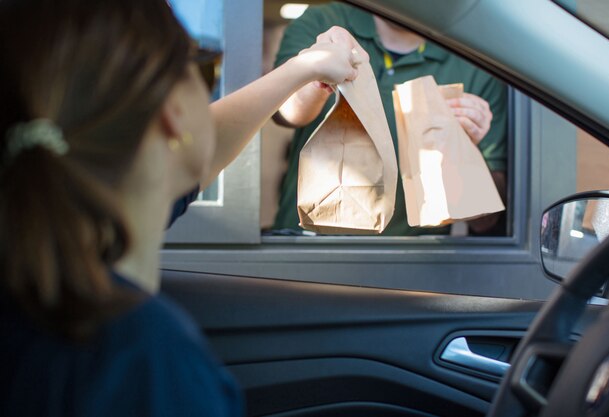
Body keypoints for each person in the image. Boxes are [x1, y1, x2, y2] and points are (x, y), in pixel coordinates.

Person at [0, 0, 363, 416]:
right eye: (204, 66)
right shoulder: (144, 359)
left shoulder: (28, 298)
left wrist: (304, 68)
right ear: (172, 113)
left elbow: (204, 149)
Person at [272, 2, 508, 236]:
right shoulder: (322, 22)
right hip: (307, 245)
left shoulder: (476, 60)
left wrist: (466, 150)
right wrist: (316, 71)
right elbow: (284, 113)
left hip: (412, 257)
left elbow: (485, 222)